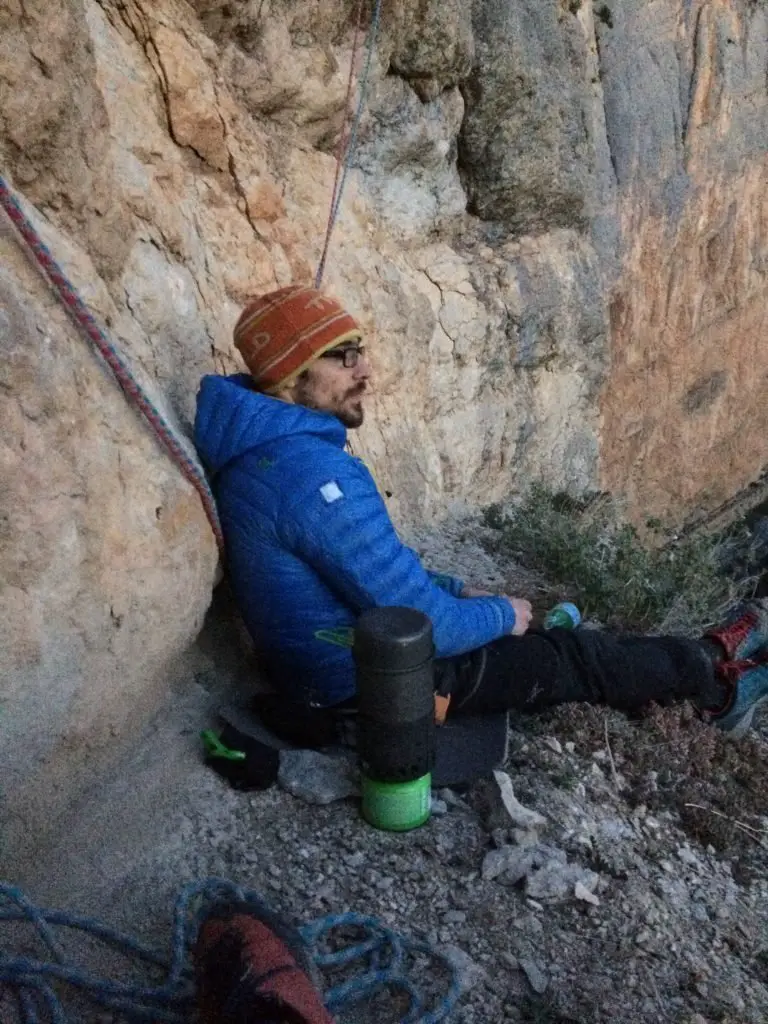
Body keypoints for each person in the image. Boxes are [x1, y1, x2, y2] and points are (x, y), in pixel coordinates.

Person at [194, 284, 768, 742]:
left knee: (560, 641)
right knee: (570, 656)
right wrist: (501, 614)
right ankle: (719, 688)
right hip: (371, 684)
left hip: (332, 662)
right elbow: (428, 625)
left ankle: (709, 656)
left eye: (360, 350)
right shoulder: (311, 477)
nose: (365, 370)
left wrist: (452, 586)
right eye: (343, 358)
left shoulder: (266, 453)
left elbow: (361, 571)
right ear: (292, 379)